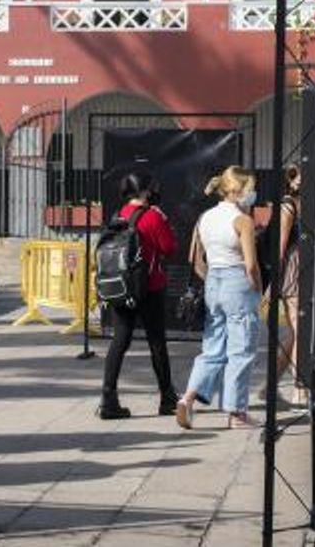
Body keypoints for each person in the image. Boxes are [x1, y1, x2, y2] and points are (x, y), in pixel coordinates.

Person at [176, 166, 263, 430]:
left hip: (214, 281)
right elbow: (251, 264)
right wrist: (258, 289)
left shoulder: (205, 217)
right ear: (242, 190)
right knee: (241, 350)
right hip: (238, 282)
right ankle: (236, 413)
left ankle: (188, 397)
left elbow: (196, 261)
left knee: (213, 347)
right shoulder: (243, 221)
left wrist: (213, 280)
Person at [98, 171, 179, 420]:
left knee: (119, 341)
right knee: (156, 342)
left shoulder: (118, 214)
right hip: (150, 286)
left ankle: (108, 399)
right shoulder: (153, 216)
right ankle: (167, 399)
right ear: (144, 191)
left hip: (121, 286)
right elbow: (169, 248)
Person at [259, 166, 309, 407]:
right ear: (293, 180)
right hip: (292, 269)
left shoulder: (303, 203)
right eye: (301, 175)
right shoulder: (288, 205)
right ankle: (299, 387)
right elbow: (279, 246)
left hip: (304, 267)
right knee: (299, 330)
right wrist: (275, 282)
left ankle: (270, 385)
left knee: (294, 333)